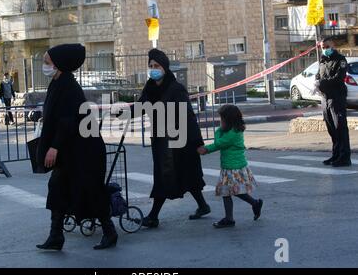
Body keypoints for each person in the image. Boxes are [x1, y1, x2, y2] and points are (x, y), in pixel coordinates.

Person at [36, 44, 118, 251]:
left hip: (84, 151)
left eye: (47, 62)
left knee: (91, 190)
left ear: (59, 65)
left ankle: (109, 231)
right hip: (70, 150)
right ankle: (56, 235)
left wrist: (54, 147)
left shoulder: (69, 88)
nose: (44, 66)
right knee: (57, 188)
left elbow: (67, 121)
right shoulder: (57, 84)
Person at [129, 48, 211, 228]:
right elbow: (141, 107)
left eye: (156, 65)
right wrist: (122, 113)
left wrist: (197, 142)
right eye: (150, 66)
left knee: (169, 176)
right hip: (162, 140)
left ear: (165, 67)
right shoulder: (150, 88)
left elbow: (189, 117)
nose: (153, 69)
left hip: (180, 141)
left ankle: (153, 217)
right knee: (182, 175)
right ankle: (203, 206)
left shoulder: (176, 89)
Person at [199, 105, 263, 228]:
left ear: (228, 120)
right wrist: (206, 149)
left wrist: (218, 131)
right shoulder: (232, 130)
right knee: (227, 192)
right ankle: (233, 216)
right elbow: (219, 145)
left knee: (231, 191)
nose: (220, 121)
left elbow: (219, 143)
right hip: (230, 167)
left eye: (222, 119)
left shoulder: (232, 133)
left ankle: (253, 204)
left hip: (233, 168)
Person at [315, 37, 351, 167]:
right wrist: (317, 83)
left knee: (340, 128)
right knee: (332, 129)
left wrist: (322, 83)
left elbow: (338, 78)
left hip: (337, 98)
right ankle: (336, 155)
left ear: (333, 45)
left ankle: (344, 157)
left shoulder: (340, 60)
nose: (325, 49)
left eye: (327, 46)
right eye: (323, 47)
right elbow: (318, 75)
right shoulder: (323, 61)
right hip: (325, 98)